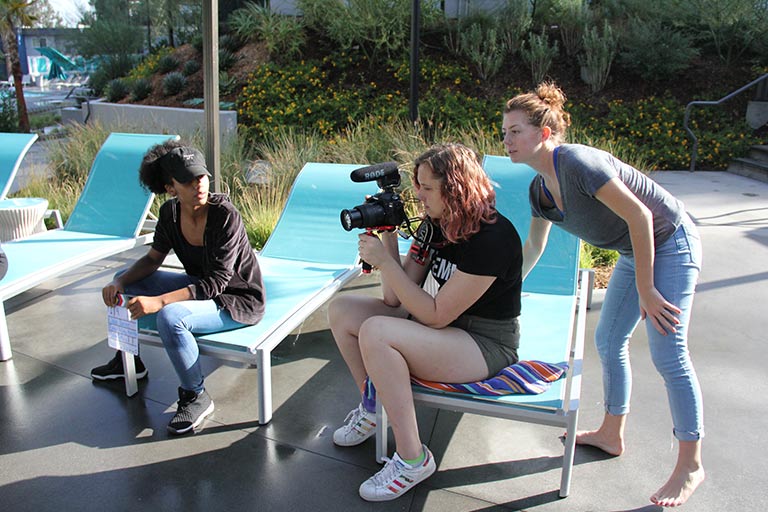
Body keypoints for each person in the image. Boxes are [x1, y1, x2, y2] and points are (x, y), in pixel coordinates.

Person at [502, 82, 705, 507]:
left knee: (669, 352)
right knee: (609, 341)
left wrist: (647, 289)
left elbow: (641, 215)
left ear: (544, 133)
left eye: (515, 131)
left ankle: (690, 465)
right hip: (635, 248)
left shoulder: (578, 163)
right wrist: (505, 289)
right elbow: (534, 248)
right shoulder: (539, 190)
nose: (506, 141)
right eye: (504, 133)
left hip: (670, 240)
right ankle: (612, 434)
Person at [328, 143, 523, 501]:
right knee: (343, 310)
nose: (418, 196)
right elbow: (393, 297)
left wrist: (385, 264)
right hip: (444, 332)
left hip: (484, 345)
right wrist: (387, 229)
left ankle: (412, 458)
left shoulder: (494, 238)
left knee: (377, 332)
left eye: (427, 188)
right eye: (417, 186)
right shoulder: (434, 225)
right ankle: (372, 407)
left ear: (455, 188)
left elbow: (435, 314)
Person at [90, 140, 265, 435]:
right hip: (201, 288)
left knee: (171, 317)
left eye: (201, 176)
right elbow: (152, 259)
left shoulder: (225, 215)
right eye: (187, 180)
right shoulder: (170, 213)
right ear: (171, 187)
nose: (198, 184)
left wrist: (159, 302)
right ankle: (127, 359)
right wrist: (119, 282)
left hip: (236, 300)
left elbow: (217, 282)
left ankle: (195, 394)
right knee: (128, 277)